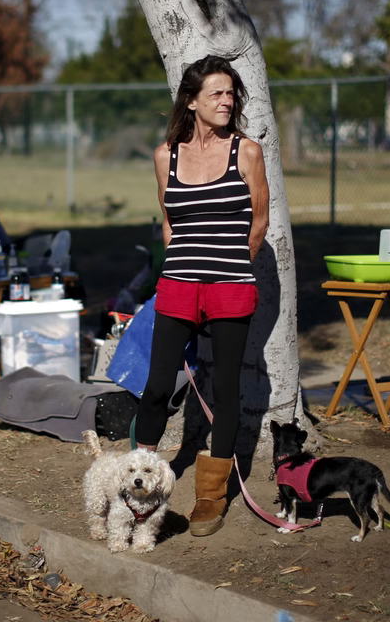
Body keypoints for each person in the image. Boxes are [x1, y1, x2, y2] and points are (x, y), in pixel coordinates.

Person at [134, 54, 269, 537]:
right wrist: (182, 263)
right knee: (155, 386)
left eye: (231, 92)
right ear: (191, 101)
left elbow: (259, 221)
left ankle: (211, 496)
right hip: (178, 287)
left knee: (225, 389)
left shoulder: (246, 152)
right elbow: (169, 222)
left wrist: (232, 265)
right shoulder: (165, 156)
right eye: (216, 92)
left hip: (231, 287)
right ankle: (138, 484)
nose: (226, 99)